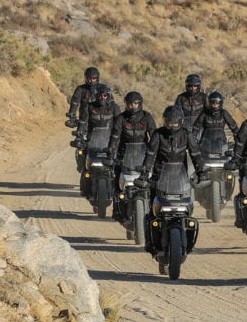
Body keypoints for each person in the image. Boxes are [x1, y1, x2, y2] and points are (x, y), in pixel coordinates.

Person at [108, 91, 157, 222]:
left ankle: (155, 212)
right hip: (124, 157)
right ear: (126, 104)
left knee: (154, 185)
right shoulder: (121, 118)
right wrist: (111, 154)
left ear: (140, 104)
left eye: (135, 104)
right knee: (117, 184)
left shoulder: (147, 117)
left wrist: (157, 152)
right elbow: (114, 137)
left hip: (144, 158)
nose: (133, 106)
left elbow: (154, 138)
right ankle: (117, 210)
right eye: (130, 104)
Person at [139, 105, 206, 191]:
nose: (172, 126)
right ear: (165, 121)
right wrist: (145, 172)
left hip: (181, 175)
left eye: (175, 123)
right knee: (151, 194)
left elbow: (195, 154)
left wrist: (200, 171)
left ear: (180, 122)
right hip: (160, 175)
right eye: (170, 123)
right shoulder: (158, 134)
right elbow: (150, 154)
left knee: (188, 199)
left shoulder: (187, 134)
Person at [77, 83, 121, 172]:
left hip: (109, 141)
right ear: (96, 96)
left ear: (108, 96)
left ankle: (117, 182)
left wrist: (120, 136)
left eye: (105, 95)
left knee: (119, 162)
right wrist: (79, 133)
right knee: (81, 154)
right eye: (100, 95)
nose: (102, 97)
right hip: (92, 141)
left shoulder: (114, 107)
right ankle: (83, 174)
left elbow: (119, 125)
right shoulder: (90, 106)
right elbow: (83, 121)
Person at [190, 91, 239, 157]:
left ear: (220, 103)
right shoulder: (204, 113)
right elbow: (196, 128)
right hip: (205, 144)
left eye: (217, 103)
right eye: (213, 103)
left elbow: (234, 128)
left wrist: (238, 141)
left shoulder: (224, 113)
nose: (215, 105)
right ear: (209, 103)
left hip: (221, 143)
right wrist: (192, 141)